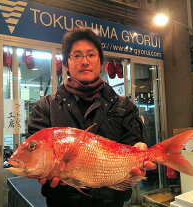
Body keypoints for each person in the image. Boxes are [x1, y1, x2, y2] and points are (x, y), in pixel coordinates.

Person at [28, 27, 156, 207]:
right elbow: (35, 151)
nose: (85, 62)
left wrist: (140, 151)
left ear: (101, 63)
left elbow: (135, 145)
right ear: (66, 64)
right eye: (77, 55)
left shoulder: (124, 106)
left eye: (91, 55)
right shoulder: (45, 107)